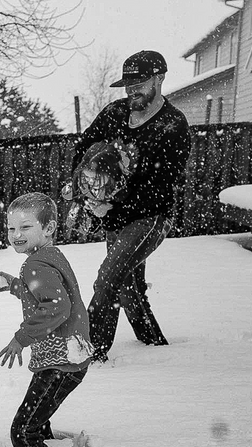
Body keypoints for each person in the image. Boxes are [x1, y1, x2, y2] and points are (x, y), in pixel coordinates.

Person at [66, 50, 191, 363]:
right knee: (127, 287)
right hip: (114, 212)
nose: (132, 90)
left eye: (141, 82)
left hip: (151, 217)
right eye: (129, 84)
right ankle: (154, 344)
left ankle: (88, 352)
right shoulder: (115, 113)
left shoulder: (172, 125)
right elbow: (82, 149)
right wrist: (88, 191)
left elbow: (161, 189)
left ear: (160, 78)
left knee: (108, 277)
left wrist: (111, 210)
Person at [0, 193, 93, 447]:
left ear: (48, 228)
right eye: (11, 228)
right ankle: (54, 445)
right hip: (68, 357)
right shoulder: (48, 256)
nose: (16, 234)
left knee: (23, 433)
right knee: (37, 417)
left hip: (59, 363)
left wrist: (20, 338)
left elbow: (56, 307)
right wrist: (14, 285)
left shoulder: (36, 264)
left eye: (25, 227)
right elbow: (41, 295)